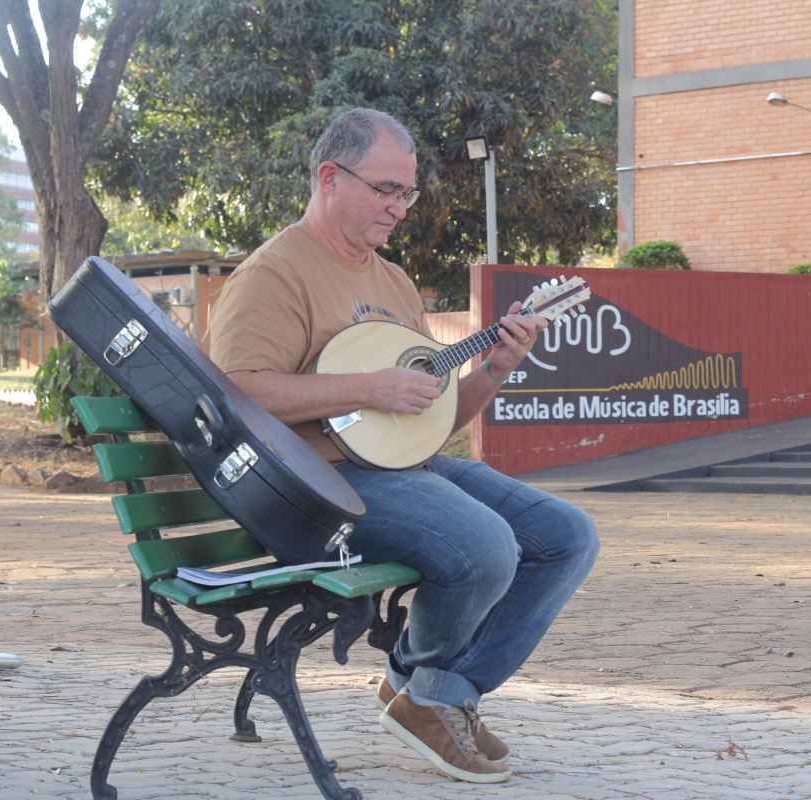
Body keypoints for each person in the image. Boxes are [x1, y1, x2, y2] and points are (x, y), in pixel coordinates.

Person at [205, 107, 599, 784]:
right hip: (318, 487)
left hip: (401, 467)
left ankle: (434, 690)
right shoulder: (275, 274)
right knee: (484, 545)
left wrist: (497, 367)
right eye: (385, 189)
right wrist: (368, 388)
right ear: (330, 177)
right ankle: (427, 694)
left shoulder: (392, 282)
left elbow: (433, 421)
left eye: (407, 193)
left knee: (567, 534)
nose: (399, 208)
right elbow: (237, 389)